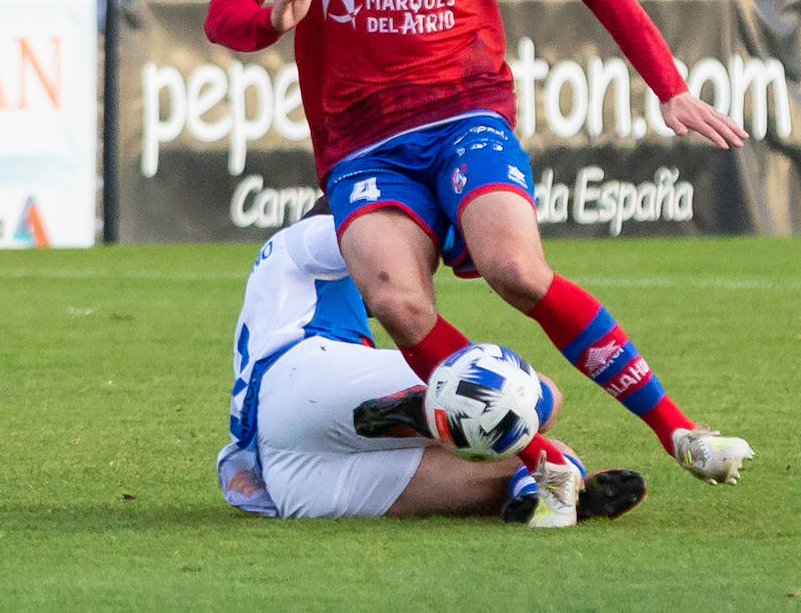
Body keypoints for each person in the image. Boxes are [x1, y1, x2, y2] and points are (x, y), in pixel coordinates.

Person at [205, 0, 753, 524]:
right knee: (396, 301)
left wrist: (667, 86)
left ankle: (681, 434)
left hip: (466, 115)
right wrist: (267, 19)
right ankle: (541, 458)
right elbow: (226, 12)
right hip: (362, 147)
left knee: (516, 271)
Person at [217, 203, 646, 526]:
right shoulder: (314, 233)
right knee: (542, 396)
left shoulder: (283, 283)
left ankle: (533, 491)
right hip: (305, 377)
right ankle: (420, 409)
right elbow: (391, 245)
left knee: (526, 453)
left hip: (290, 474)